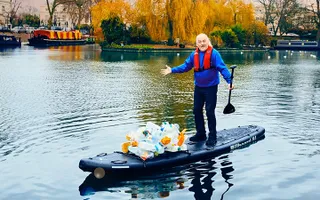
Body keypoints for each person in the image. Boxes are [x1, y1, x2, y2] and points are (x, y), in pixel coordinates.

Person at [161, 33, 233, 146]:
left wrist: (229, 81)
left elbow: (222, 68)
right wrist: (172, 70)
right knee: (196, 110)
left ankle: (212, 136)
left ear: (208, 41)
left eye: (204, 41)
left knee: (209, 111)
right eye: (199, 41)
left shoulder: (214, 54)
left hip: (211, 87)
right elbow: (185, 66)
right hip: (199, 87)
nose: (202, 43)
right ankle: (201, 134)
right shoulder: (193, 55)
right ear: (196, 43)